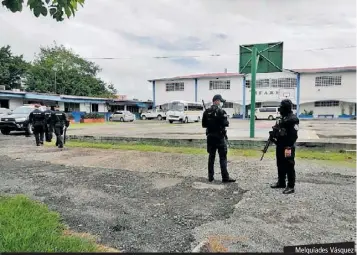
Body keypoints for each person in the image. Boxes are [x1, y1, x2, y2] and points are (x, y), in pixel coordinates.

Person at [202, 94, 236, 183]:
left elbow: (204, 125)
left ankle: (210, 177)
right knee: (223, 158)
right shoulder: (221, 111)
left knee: (211, 157)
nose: (221, 103)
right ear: (216, 101)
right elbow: (226, 123)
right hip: (220, 137)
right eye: (220, 101)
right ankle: (225, 177)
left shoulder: (207, 112)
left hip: (210, 137)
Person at [269, 99, 299, 194]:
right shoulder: (282, 118)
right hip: (280, 145)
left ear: (286, 108)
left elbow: (293, 135)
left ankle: (290, 186)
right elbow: (278, 129)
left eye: (281, 107)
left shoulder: (292, 119)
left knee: (289, 165)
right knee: (280, 163)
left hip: (288, 146)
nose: (280, 109)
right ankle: (281, 182)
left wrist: (282, 123)